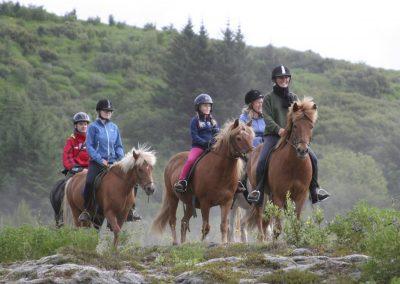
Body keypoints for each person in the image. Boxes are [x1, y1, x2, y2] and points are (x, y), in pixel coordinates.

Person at [247, 65, 330, 204]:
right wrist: (278, 129)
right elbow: (266, 117)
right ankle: (259, 190)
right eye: (280, 78)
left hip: (292, 136)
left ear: (289, 79)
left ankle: (315, 189)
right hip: (273, 135)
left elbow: (301, 116)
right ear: (275, 80)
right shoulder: (268, 98)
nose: (284, 80)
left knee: (313, 158)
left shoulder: (293, 97)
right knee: (262, 159)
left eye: (286, 77)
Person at [78, 99, 140, 222]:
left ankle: (131, 209)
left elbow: (118, 146)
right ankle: (86, 210)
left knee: (134, 180)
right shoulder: (93, 127)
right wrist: (100, 160)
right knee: (90, 181)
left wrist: (120, 159)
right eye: (105, 111)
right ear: (99, 111)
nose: (108, 113)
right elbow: (89, 146)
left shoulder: (114, 127)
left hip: (114, 162)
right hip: (97, 163)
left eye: (110, 111)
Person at [174, 93, 220, 193]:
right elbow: (194, 136)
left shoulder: (213, 121)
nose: (207, 107)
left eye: (209, 105)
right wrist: (205, 143)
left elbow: (217, 133)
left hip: (212, 147)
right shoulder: (194, 121)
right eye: (204, 105)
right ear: (198, 107)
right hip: (198, 147)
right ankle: (182, 181)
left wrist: (215, 140)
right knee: (191, 160)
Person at [238, 90, 265, 193]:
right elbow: (243, 136)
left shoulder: (265, 117)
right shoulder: (243, 118)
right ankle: (237, 187)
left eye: (262, 102)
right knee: (243, 166)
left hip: (264, 146)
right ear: (251, 104)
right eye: (258, 102)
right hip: (249, 148)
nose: (261, 104)